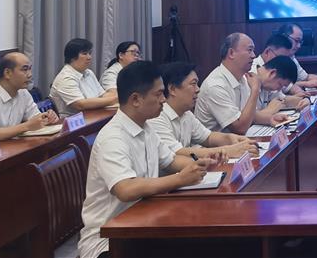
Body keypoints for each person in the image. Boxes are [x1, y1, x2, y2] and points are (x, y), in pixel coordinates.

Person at [78, 61, 217, 258]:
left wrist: (203, 166)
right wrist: (180, 179)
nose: (164, 100)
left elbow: (171, 161)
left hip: (142, 224)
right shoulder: (113, 137)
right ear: (136, 99)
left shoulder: (146, 128)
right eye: (158, 94)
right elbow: (126, 189)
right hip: (109, 241)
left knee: (207, 242)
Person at [149, 62, 258, 159]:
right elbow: (177, 153)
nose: (198, 90)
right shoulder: (157, 117)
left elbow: (208, 137)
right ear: (172, 89)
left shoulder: (186, 114)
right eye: (193, 84)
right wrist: (228, 151)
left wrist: (232, 139)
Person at [195, 33, 281, 133]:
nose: (253, 55)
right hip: (216, 142)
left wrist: (270, 119)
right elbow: (239, 128)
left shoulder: (242, 78)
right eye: (249, 50)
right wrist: (255, 90)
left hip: (235, 139)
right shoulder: (215, 86)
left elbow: (250, 115)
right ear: (231, 53)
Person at [50, 38, 117, 116]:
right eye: (84, 54)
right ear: (72, 56)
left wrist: (120, 97)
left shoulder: (89, 72)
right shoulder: (65, 77)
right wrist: (113, 100)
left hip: (93, 115)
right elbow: (80, 104)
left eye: (90, 53)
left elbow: (102, 95)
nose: (89, 57)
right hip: (73, 121)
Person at [278, 23, 317, 92]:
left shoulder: (291, 57)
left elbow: (305, 77)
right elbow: (279, 86)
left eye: (300, 42)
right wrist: (305, 84)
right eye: (296, 41)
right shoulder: (273, 57)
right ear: (284, 37)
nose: (299, 46)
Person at [249, 55, 305, 123]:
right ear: (272, 73)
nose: (279, 90)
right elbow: (245, 119)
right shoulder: (248, 78)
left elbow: (283, 100)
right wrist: (269, 111)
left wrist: (306, 100)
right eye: (280, 85)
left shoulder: (266, 82)